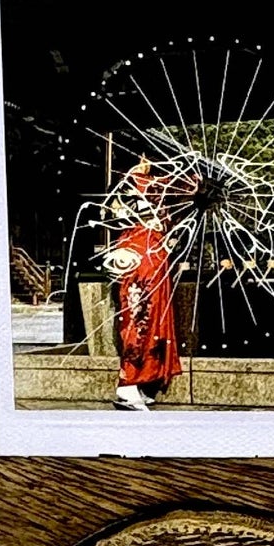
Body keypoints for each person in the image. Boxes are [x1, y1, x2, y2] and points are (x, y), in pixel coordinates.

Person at [110, 154, 182, 411]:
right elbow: (119, 212)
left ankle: (142, 381)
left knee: (155, 322)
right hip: (138, 257)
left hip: (153, 256)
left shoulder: (158, 185)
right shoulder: (131, 184)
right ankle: (128, 384)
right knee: (139, 319)